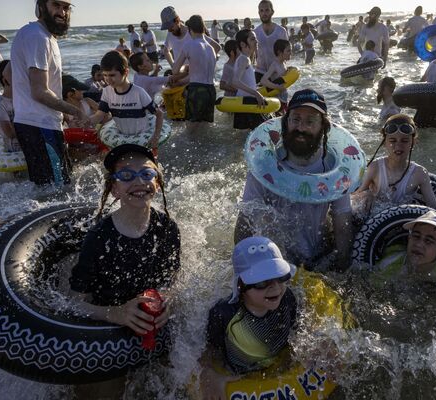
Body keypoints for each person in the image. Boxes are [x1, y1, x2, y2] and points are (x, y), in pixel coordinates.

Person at [69, 144, 180, 399]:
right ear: (115, 189)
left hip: (148, 323)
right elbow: (73, 302)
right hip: (108, 327)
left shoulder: (167, 228)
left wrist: (170, 300)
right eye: (127, 176)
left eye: (147, 174)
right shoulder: (98, 238)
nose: (139, 182)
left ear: (158, 182)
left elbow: (173, 279)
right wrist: (114, 313)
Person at [234, 89, 353, 271]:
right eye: (295, 119)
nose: (301, 128)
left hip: (316, 257)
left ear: (323, 127)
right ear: (285, 123)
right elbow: (245, 218)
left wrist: (343, 269)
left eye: (310, 121)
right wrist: (241, 270)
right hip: (273, 259)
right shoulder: (265, 164)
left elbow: (342, 224)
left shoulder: (334, 170)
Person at [199, 236, 297, 397]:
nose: (275, 287)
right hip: (239, 375)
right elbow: (209, 349)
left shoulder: (288, 299)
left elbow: (298, 332)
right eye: (261, 282)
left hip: (276, 363)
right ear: (241, 286)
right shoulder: (224, 314)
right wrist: (208, 372)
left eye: (280, 277)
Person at [10, 0, 85, 186]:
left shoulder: (39, 35)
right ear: (41, 7)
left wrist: (61, 113)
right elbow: (40, 91)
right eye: (56, 5)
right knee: (57, 189)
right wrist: (75, 110)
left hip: (35, 123)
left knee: (48, 186)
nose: (62, 12)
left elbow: (7, 73)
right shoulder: (38, 37)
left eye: (66, 8)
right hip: (39, 125)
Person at [353, 114, 436, 221]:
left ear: (413, 142)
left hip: (402, 222)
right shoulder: (375, 168)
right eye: (392, 141)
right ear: (385, 142)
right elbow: (353, 197)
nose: (398, 146)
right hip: (374, 221)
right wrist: (367, 194)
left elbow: (434, 208)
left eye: (404, 141)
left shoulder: (419, 173)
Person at [370, 210, 436, 292]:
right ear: (409, 238)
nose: (418, 244)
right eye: (416, 236)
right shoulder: (388, 266)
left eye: (428, 241)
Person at [89, 51, 164, 150]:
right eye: (105, 75)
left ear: (126, 72)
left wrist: (156, 135)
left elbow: (159, 114)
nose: (108, 80)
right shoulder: (107, 92)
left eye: (112, 75)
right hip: (121, 137)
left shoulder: (138, 92)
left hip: (142, 137)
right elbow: (99, 115)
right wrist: (88, 120)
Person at [171, 15, 217, 135]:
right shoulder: (211, 48)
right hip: (211, 91)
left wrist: (184, 68)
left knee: (190, 132)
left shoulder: (189, 45)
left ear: (190, 29)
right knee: (205, 130)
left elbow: (175, 70)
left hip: (197, 90)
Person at [231, 29, 267, 131]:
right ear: (243, 44)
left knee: (244, 139)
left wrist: (256, 88)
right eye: (252, 39)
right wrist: (255, 93)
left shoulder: (245, 59)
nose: (256, 41)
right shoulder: (244, 59)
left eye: (256, 39)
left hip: (245, 103)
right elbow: (235, 81)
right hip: (247, 104)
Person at [254, 0, 289, 83]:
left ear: (272, 12)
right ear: (259, 13)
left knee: (280, 96)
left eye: (267, 10)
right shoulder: (255, 32)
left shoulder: (281, 31)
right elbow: (251, 54)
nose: (264, 13)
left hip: (277, 72)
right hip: (260, 72)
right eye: (261, 11)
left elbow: (287, 53)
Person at [0, 61, 20, 153]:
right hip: (15, 149)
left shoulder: (23, 97)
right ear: (5, 80)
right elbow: (10, 133)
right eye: (16, 74)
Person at [260, 39, 291, 114]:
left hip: (284, 99)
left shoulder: (283, 63)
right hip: (278, 101)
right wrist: (277, 87)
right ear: (279, 52)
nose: (291, 53)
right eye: (288, 51)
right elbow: (263, 80)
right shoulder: (274, 65)